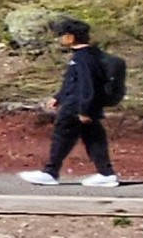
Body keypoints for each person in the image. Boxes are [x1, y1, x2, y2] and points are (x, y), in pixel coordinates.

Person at [20, 17, 126, 188]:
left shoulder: (82, 58)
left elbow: (87, 84)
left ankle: (50, 172)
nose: (60, 39)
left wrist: (84, 109)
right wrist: (58, 97)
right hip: (81, 104)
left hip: (76, 106)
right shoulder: (91, 55)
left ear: (70, 37)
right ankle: (106, 173)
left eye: (62, 35)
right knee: (94, 139)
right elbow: (73, 82)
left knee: (62, 137)